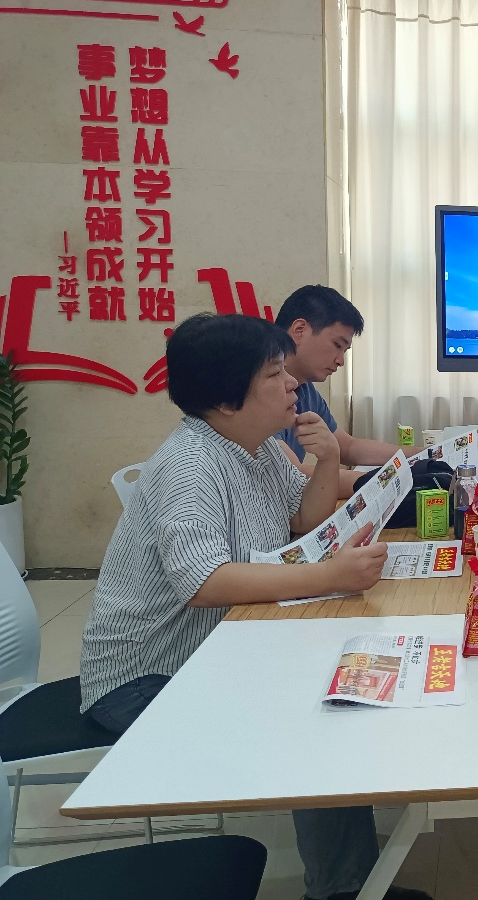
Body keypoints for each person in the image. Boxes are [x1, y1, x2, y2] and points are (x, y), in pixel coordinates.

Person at [79, 314, 429, 900]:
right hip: (147, 677)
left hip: (220, 643)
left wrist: (325, 462)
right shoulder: (190, 466)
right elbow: (204, 581)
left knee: (333, 679)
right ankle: (342, 888)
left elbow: (304, 522)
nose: (292, 383)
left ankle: (348, 875)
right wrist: (328, 575)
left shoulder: (256, 447)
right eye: (273, 374)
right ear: (225, 400)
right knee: (315, 717)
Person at [273, 286, 412, 493]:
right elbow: (293, 475)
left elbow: (347, 447)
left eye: (345, 350)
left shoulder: (305, 389)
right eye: (337, 345)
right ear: (299, 330)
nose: (341, 361)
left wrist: (425, 455)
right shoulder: (257, 389)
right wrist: (394, 480)